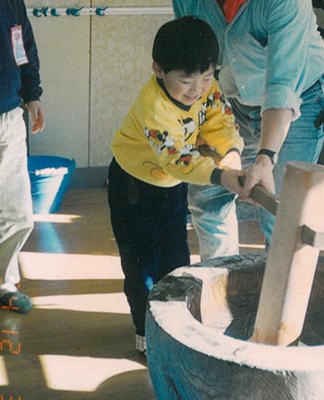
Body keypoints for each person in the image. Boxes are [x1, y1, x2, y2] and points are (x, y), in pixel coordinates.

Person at [107, 16, 244, 353]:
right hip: (134, 188)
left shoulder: (206, 87)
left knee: (176, 258)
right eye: (185, 80)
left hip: (171, 185)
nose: (197, 88)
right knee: (142, 266)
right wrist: (220, 175)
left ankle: (171, 325)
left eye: (207, 76)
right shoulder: (154, 107)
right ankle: (146, 333)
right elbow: (177, 160)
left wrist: (232, 154)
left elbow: (219, 120)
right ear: (158, 69)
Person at [172, 0, 324, 259]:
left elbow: (282, 85)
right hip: (231, 98)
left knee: (280, 216)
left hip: (300, 97)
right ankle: (222, 283)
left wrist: (265, 158)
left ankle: (278, 297)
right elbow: (191, 56)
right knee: (207, 197)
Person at [0, 0, 45, 313]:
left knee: (12, 209)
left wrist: (32, 96)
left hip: (8, 116)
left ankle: (2, 281)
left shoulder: (9, 2)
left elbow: (23, 46)